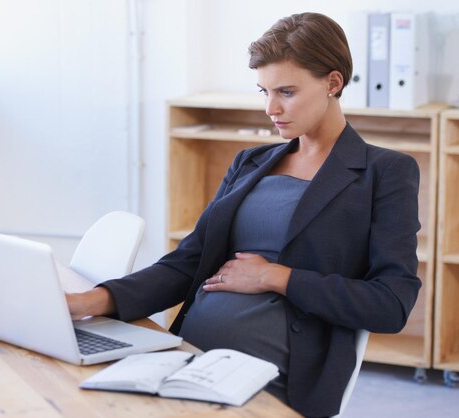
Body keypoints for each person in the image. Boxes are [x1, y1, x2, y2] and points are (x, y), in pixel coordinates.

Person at [67, 12, 421, 418]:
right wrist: (90, 301)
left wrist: (277, 277)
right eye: (263, 91)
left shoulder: (385, 172)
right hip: (185, 357)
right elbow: (187, 264)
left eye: (286, 92)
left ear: (333, 83)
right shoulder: (250, 163)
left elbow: (391, 304)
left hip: (274, 375)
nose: (270, 108)